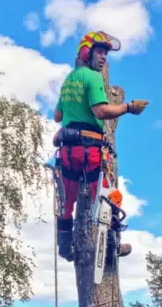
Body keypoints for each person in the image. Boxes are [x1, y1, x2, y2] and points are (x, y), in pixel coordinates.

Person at [53, 31, 149, 261]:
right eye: (99, 52)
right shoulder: (93, 78)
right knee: (107, 195)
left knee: (67, 203)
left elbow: (57, 116)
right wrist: (128, 107)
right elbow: (101, 111)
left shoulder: (69, 80)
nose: (103, 57)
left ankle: (66, 248)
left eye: (105, 54)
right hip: (90, 150)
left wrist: (74, 111)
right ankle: (110, 246)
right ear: (87, 53)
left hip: (68, 151)